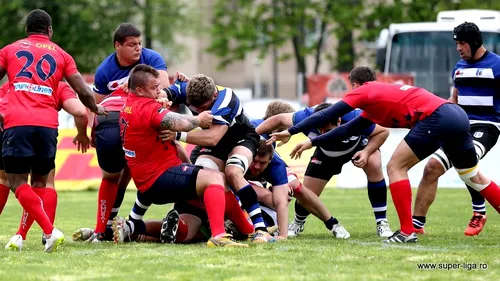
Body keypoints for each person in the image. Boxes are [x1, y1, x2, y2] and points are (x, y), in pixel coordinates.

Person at [270, 66, 500, 243]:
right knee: (473, 176)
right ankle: (407, 229)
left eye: (353, 88)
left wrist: (291, 131)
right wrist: (311, 141)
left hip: (437, 117)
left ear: (355, 85)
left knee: (395, 166)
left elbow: (330, 113)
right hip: (457, 116)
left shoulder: (364, 92)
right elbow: (348, 128)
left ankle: (407, 232)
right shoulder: (376, 102)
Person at [0, 9, 105, 252]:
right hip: (48, 126)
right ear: (50, 31)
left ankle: (49, 231)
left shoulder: (10, 50)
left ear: (26, 30)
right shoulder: (62, 55)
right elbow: (82, 90)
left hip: (17, 122)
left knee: (15, 182)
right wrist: (95, 108)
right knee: (42, 181)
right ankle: (40, 234)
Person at [113, 64, 246, 248]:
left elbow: (170, 139)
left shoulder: (130, 104)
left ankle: (131, 227)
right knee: (216, 178)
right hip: (162, 177)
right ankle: (220, 236)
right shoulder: (148, 108)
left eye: (159, 86)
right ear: (140, 90)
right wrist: (198, 120)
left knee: (188, 230)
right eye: (154, 88)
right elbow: (179, 123)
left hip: (149, 179)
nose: (159, 91)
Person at [161, 73, 274, 243]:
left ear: (214, 94)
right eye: (196, 108)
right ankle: (219, 225)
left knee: (233, 172)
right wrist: (151, 95)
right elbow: (161, 93)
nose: (200, 112)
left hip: (240, 138)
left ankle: (260, 229)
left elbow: (213, 137)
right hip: (216, 144)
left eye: (205, 107)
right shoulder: (185, 88)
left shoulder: (226, 98)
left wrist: (178, 135)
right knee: (203, 177)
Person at [413, 22, 500, 236]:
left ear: (475, 42)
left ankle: (479, 212)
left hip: (487, 126)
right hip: (460, 125)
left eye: (462, 43)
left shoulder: (497, 65)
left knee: (465, 160)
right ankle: (415, 226)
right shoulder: (458, 67)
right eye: (457, 44)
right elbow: (454, 100)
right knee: (432, 167)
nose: (458, 48)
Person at [87, 23, 172, 242]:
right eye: (132, 44)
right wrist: (92, 129)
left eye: (140, 43)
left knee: (132, 174)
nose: (138, 49)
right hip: (118, 123)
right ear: (118, 46)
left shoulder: (151, 58)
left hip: (143, 121)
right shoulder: (105, 70)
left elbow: (163, 89)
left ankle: (113, 227)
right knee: (118, 176)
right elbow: (95, 106)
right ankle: (113, 227)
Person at [257, 103, 392, 238]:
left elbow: (383, 131)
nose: (323, 135)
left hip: (358, 147)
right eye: (319, 130)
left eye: (327, 131)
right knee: (307, 194)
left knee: (374, 163)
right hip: (326, 154)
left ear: (339, 121)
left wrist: (367, 152)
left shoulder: (355, 116)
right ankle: (298, 222)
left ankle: (382, 222)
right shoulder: (305, 116)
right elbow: (279, 119)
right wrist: (251, 138)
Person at [2, 81, 89, 251]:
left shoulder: (16, 80)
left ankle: (41, 232)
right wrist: (82, 133)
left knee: (7, 180)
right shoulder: (58, 84)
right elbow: (80, 111)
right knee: (45, 182)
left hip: (13, 127)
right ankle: (38, 233)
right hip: (45, 129)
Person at [246, 140, 351, 239]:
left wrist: (283, 236)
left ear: (270, 159)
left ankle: (332, 223)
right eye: (254, 161)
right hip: (239, 175)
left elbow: (281, 203)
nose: (257, 167)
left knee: (294, 188)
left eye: (262, 163)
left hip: (268, 170)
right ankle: (250, 225)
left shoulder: (276, 166)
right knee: (263, 195)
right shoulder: (240, 156)